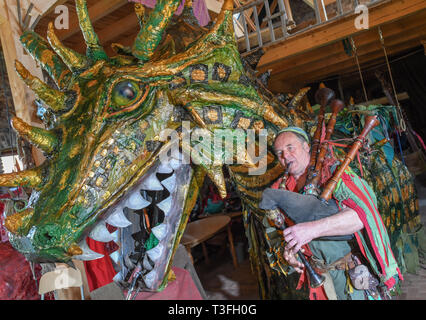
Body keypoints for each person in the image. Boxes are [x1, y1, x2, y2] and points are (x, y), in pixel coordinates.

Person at [262, 127, 403, 300]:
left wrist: (311, 230)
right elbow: (274, 233)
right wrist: (287, 253)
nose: (286, 156)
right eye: (280, 153)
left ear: (306, 146)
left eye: (291, 148)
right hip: (318, 280)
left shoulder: (334, 173)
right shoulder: (280, 189)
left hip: (351, 276)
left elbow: (361, 216)